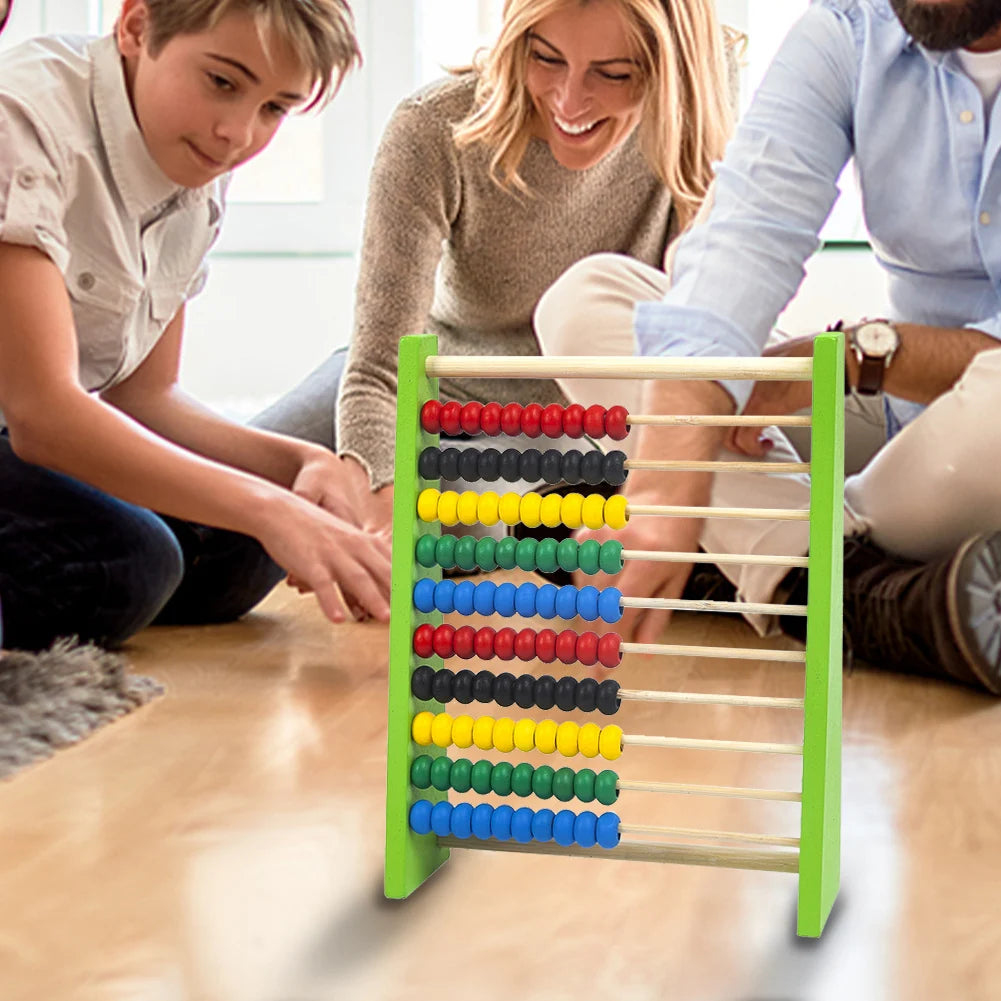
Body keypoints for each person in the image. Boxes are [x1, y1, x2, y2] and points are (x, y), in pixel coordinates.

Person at [536, 0, 1001, 694]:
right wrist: (667, 488)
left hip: (971, 432)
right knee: (588, 301)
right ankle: (851, 586)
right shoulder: (849, 31)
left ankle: (755, 547)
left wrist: (854, 358)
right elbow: (745, 236)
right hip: (898, 441)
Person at [253, 0, 740, 610]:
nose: (569, 101)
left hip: (583, 421)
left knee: (483, 532)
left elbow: (695, 332)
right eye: (546, 58)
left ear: (672, 72)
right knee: (230, 516)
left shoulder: (699, 108)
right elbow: (381, 368)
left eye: (612, 74)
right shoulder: (434, 130)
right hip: (434, 388)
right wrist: (380, 506)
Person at [0, 0, 394, 654]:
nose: (237, 134)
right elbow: (43, 413)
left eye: (274, 108)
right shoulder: (24, 117)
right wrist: (271, 508)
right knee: (135, 558)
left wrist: (300, 465)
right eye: (222, 82)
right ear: (135, 26)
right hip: (25, 432)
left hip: (25, 445)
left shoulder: (192, 164)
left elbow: (145, 394)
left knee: (243, 548)